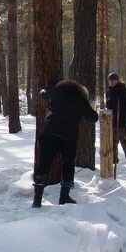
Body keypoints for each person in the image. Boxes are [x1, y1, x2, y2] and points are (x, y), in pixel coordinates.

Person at [32, 79, 99, 208]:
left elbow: (42, 94)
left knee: (44, 164)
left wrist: (49, 87)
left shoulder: (56, 91)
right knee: (68, 165)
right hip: (68, 135)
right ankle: (64, 197)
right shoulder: (80, 98)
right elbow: (93, 118)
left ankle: (37, 200)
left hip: (49, 131)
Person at [106, 72, 126, 170]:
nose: (111, 82)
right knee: (111, 142)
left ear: (117, 80)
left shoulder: (124, 91)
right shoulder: (109, 92)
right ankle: (113, 161)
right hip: (112, 122)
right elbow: (109, 106)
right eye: (110, 80)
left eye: (113, 80)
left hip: (122, 122)